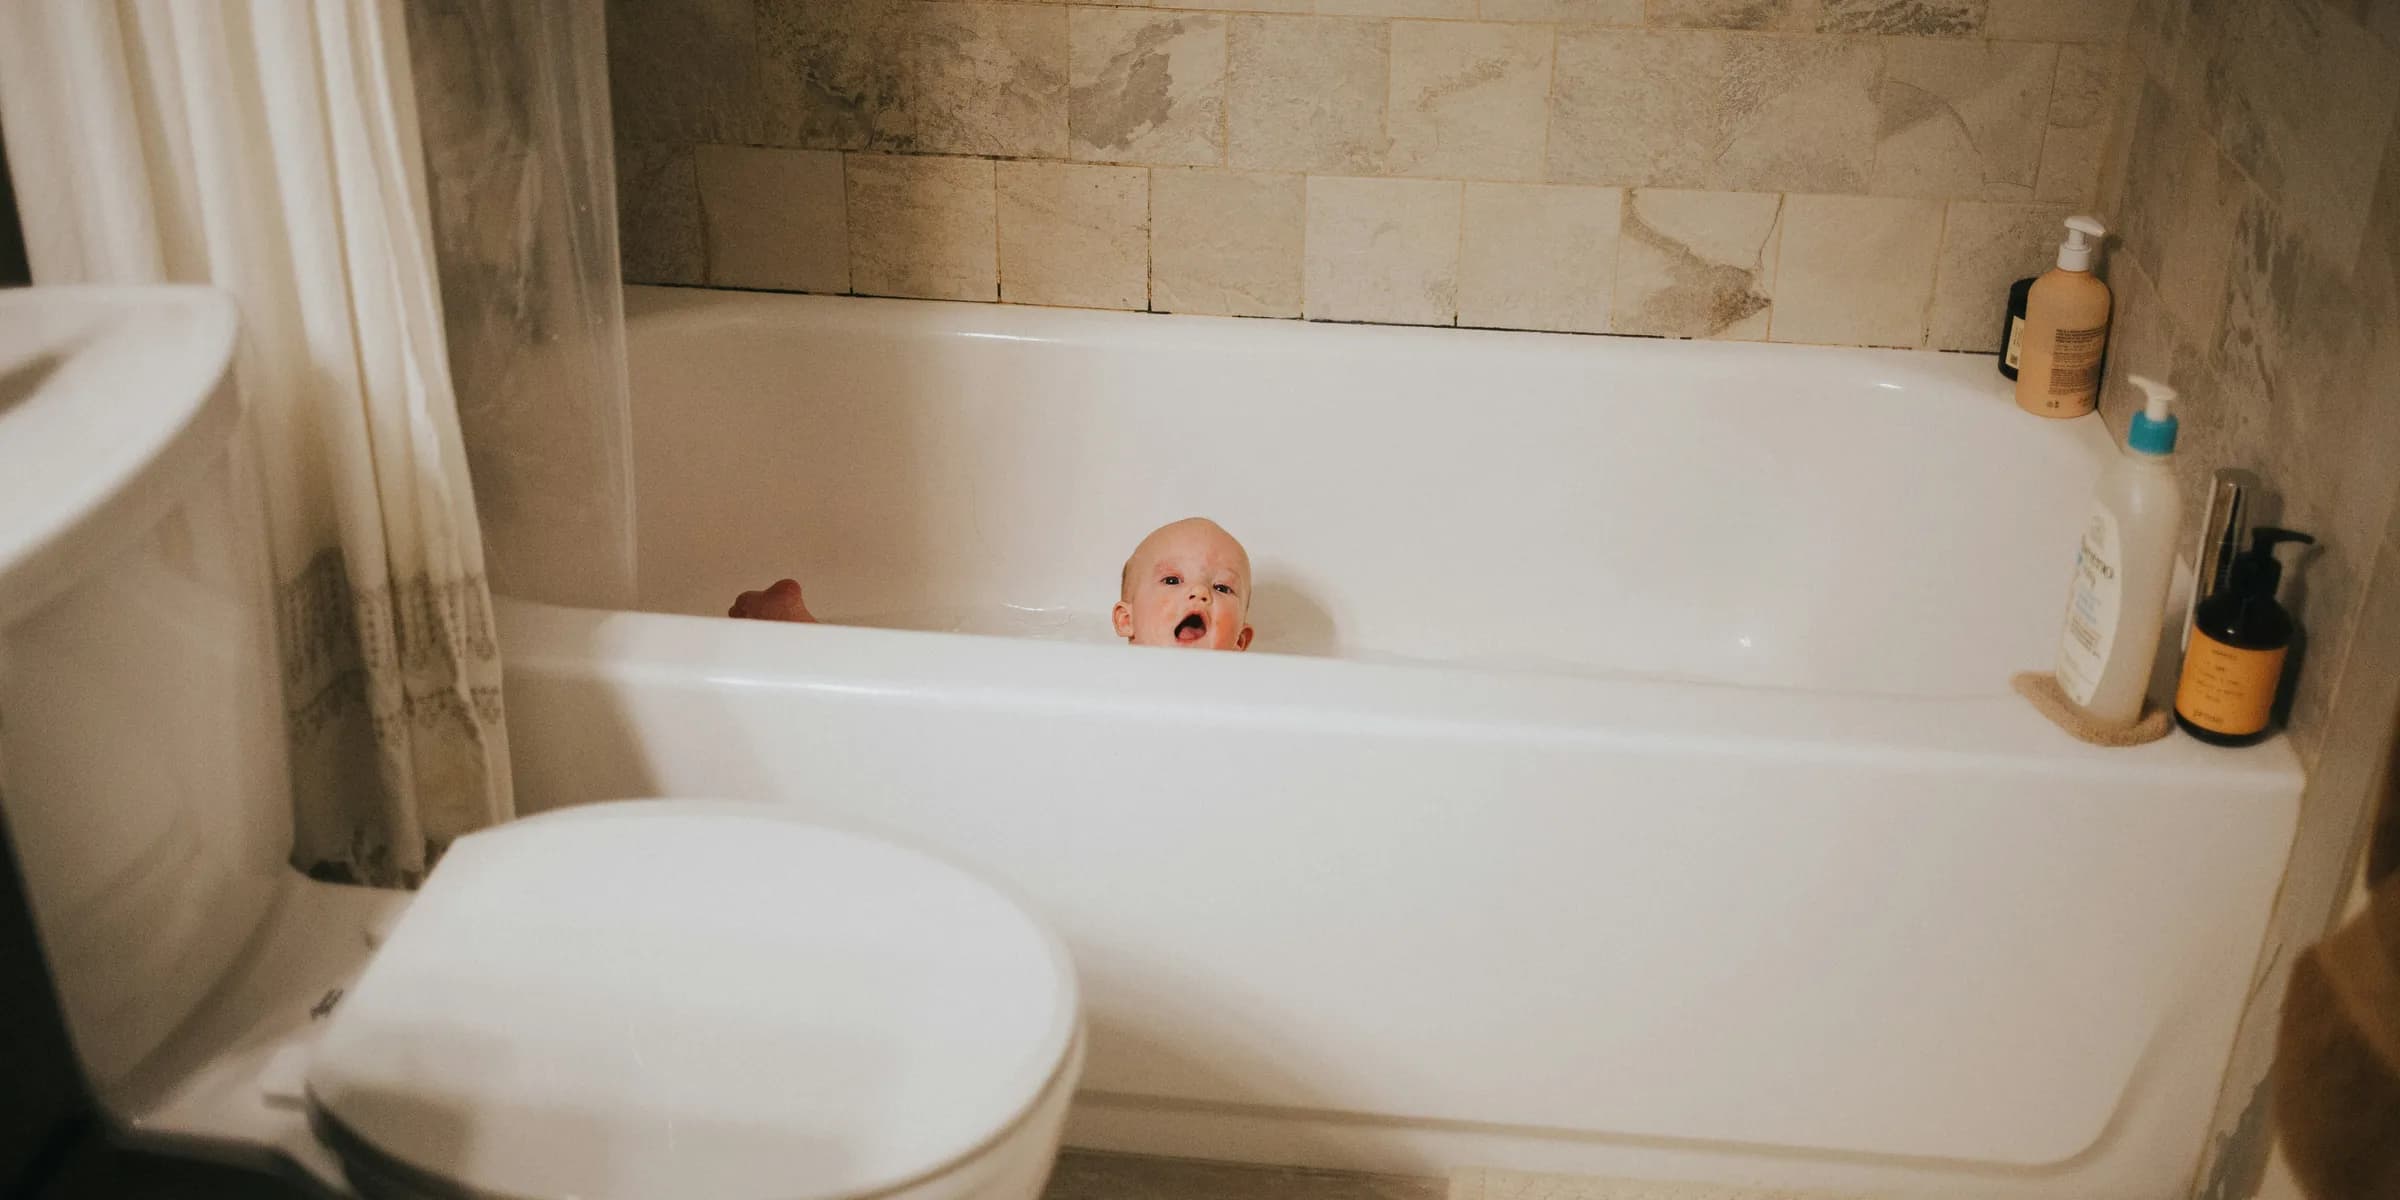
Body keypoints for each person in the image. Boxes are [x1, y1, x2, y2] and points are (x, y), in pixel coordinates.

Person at [729, 517, 1256, 652]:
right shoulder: (1110, 673)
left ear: (1243, 643)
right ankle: (795, 630)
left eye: (1223, 589)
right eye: (1171, 580)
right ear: (1126, 621)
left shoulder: (1252, 694)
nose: (1199, 594)